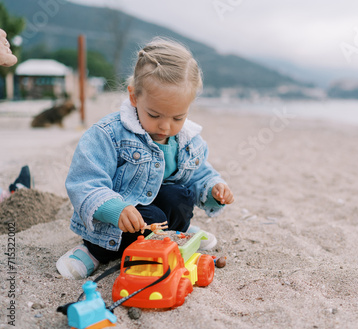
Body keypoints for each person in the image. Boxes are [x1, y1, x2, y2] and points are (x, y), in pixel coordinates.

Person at [56, 38, 234, 280]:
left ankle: (175, 234)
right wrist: (114, 209)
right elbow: (84, 182)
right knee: (154, 218)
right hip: (116, 223)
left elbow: (199, 173)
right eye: (154, 114)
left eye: (177, 117)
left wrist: (214, 188)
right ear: (134, 97)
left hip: (155, 216)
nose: (165, 125)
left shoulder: (187, 139)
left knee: (181, 196)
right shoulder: (109, 134)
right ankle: (94, 251)